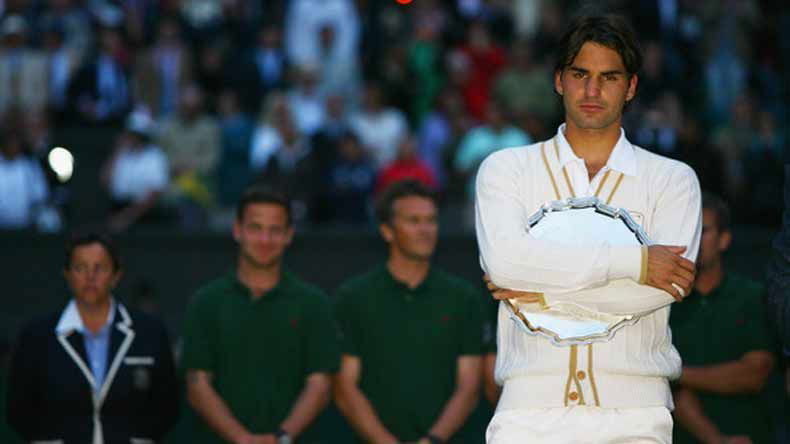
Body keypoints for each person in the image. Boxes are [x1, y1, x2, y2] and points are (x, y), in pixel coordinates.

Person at [475, 14, 701, 443]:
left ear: (631, 87)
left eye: (609, 77)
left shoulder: (673, 179)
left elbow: (665, 286)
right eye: (580, 74)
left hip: (636, 414)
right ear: (559, 80)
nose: (592, 90)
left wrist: (541, 294)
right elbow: (505, 265)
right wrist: (636, 263)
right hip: (527, 413)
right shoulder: (506, 169)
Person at [182, 187, 340, 444]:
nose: (265, 240)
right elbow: (197, 384)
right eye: (255, 228)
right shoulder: (206, 302)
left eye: (275, 230)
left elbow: (320, 385)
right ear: (237, 230)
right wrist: (241, 439)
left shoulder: (313, 303)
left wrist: (281, 437)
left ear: (289, 235)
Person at [334, 180, 485, 444]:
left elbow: (469, 385)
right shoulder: (353, 297)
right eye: (413, 221)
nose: (425, 230)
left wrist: (432, 440)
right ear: (387, 231)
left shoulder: (464, 297)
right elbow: (345, 386)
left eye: (431, 220)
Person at [6, 231, 179, 443]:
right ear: (67, 274)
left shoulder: (149, 333)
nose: (90, 276)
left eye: (100, 268)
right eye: (80, 268)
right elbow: (19, 411)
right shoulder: (37, 336)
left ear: (116, 275)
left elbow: (167, 407)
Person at [670, 193, 775, 444]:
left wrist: (674, 373)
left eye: (703, 231)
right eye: (688, 230)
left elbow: (754, 374)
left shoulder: (753, 297)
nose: (694, 238)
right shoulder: (664, 303)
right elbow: (667, 390)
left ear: (724, 239)